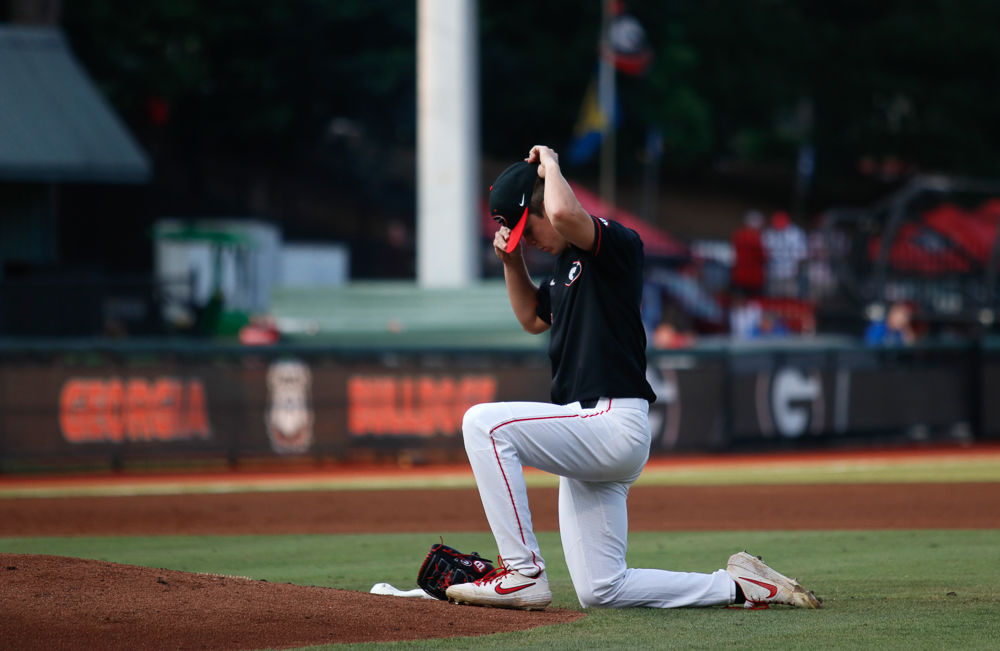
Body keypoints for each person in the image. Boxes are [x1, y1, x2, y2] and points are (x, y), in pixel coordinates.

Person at [446, 145, 820, 611]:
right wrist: (510, 262)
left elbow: (563, 212)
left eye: (528, 227)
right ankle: (741, 587)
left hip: (610, 420)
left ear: (546, 205)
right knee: (602, 589)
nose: (528, 240)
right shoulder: (564, 269)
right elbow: (531, 318)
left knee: (483, 424)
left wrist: (553, 166)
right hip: (590, 434)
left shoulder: (616, 244)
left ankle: (521, 572)